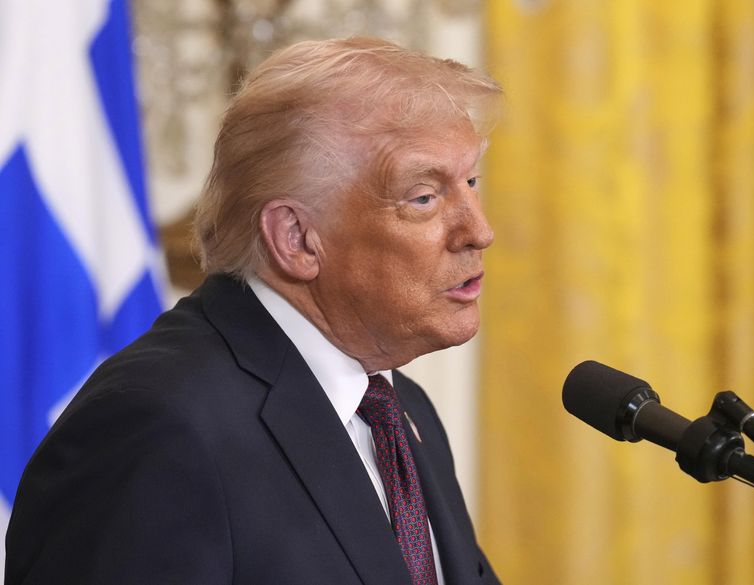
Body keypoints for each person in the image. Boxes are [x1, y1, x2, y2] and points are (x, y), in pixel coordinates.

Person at [5, 37, 503, 584]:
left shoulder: (397, 408)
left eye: (471, 182)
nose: (479, 230)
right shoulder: (155, 426)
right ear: (297, 239)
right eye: (424, 197)